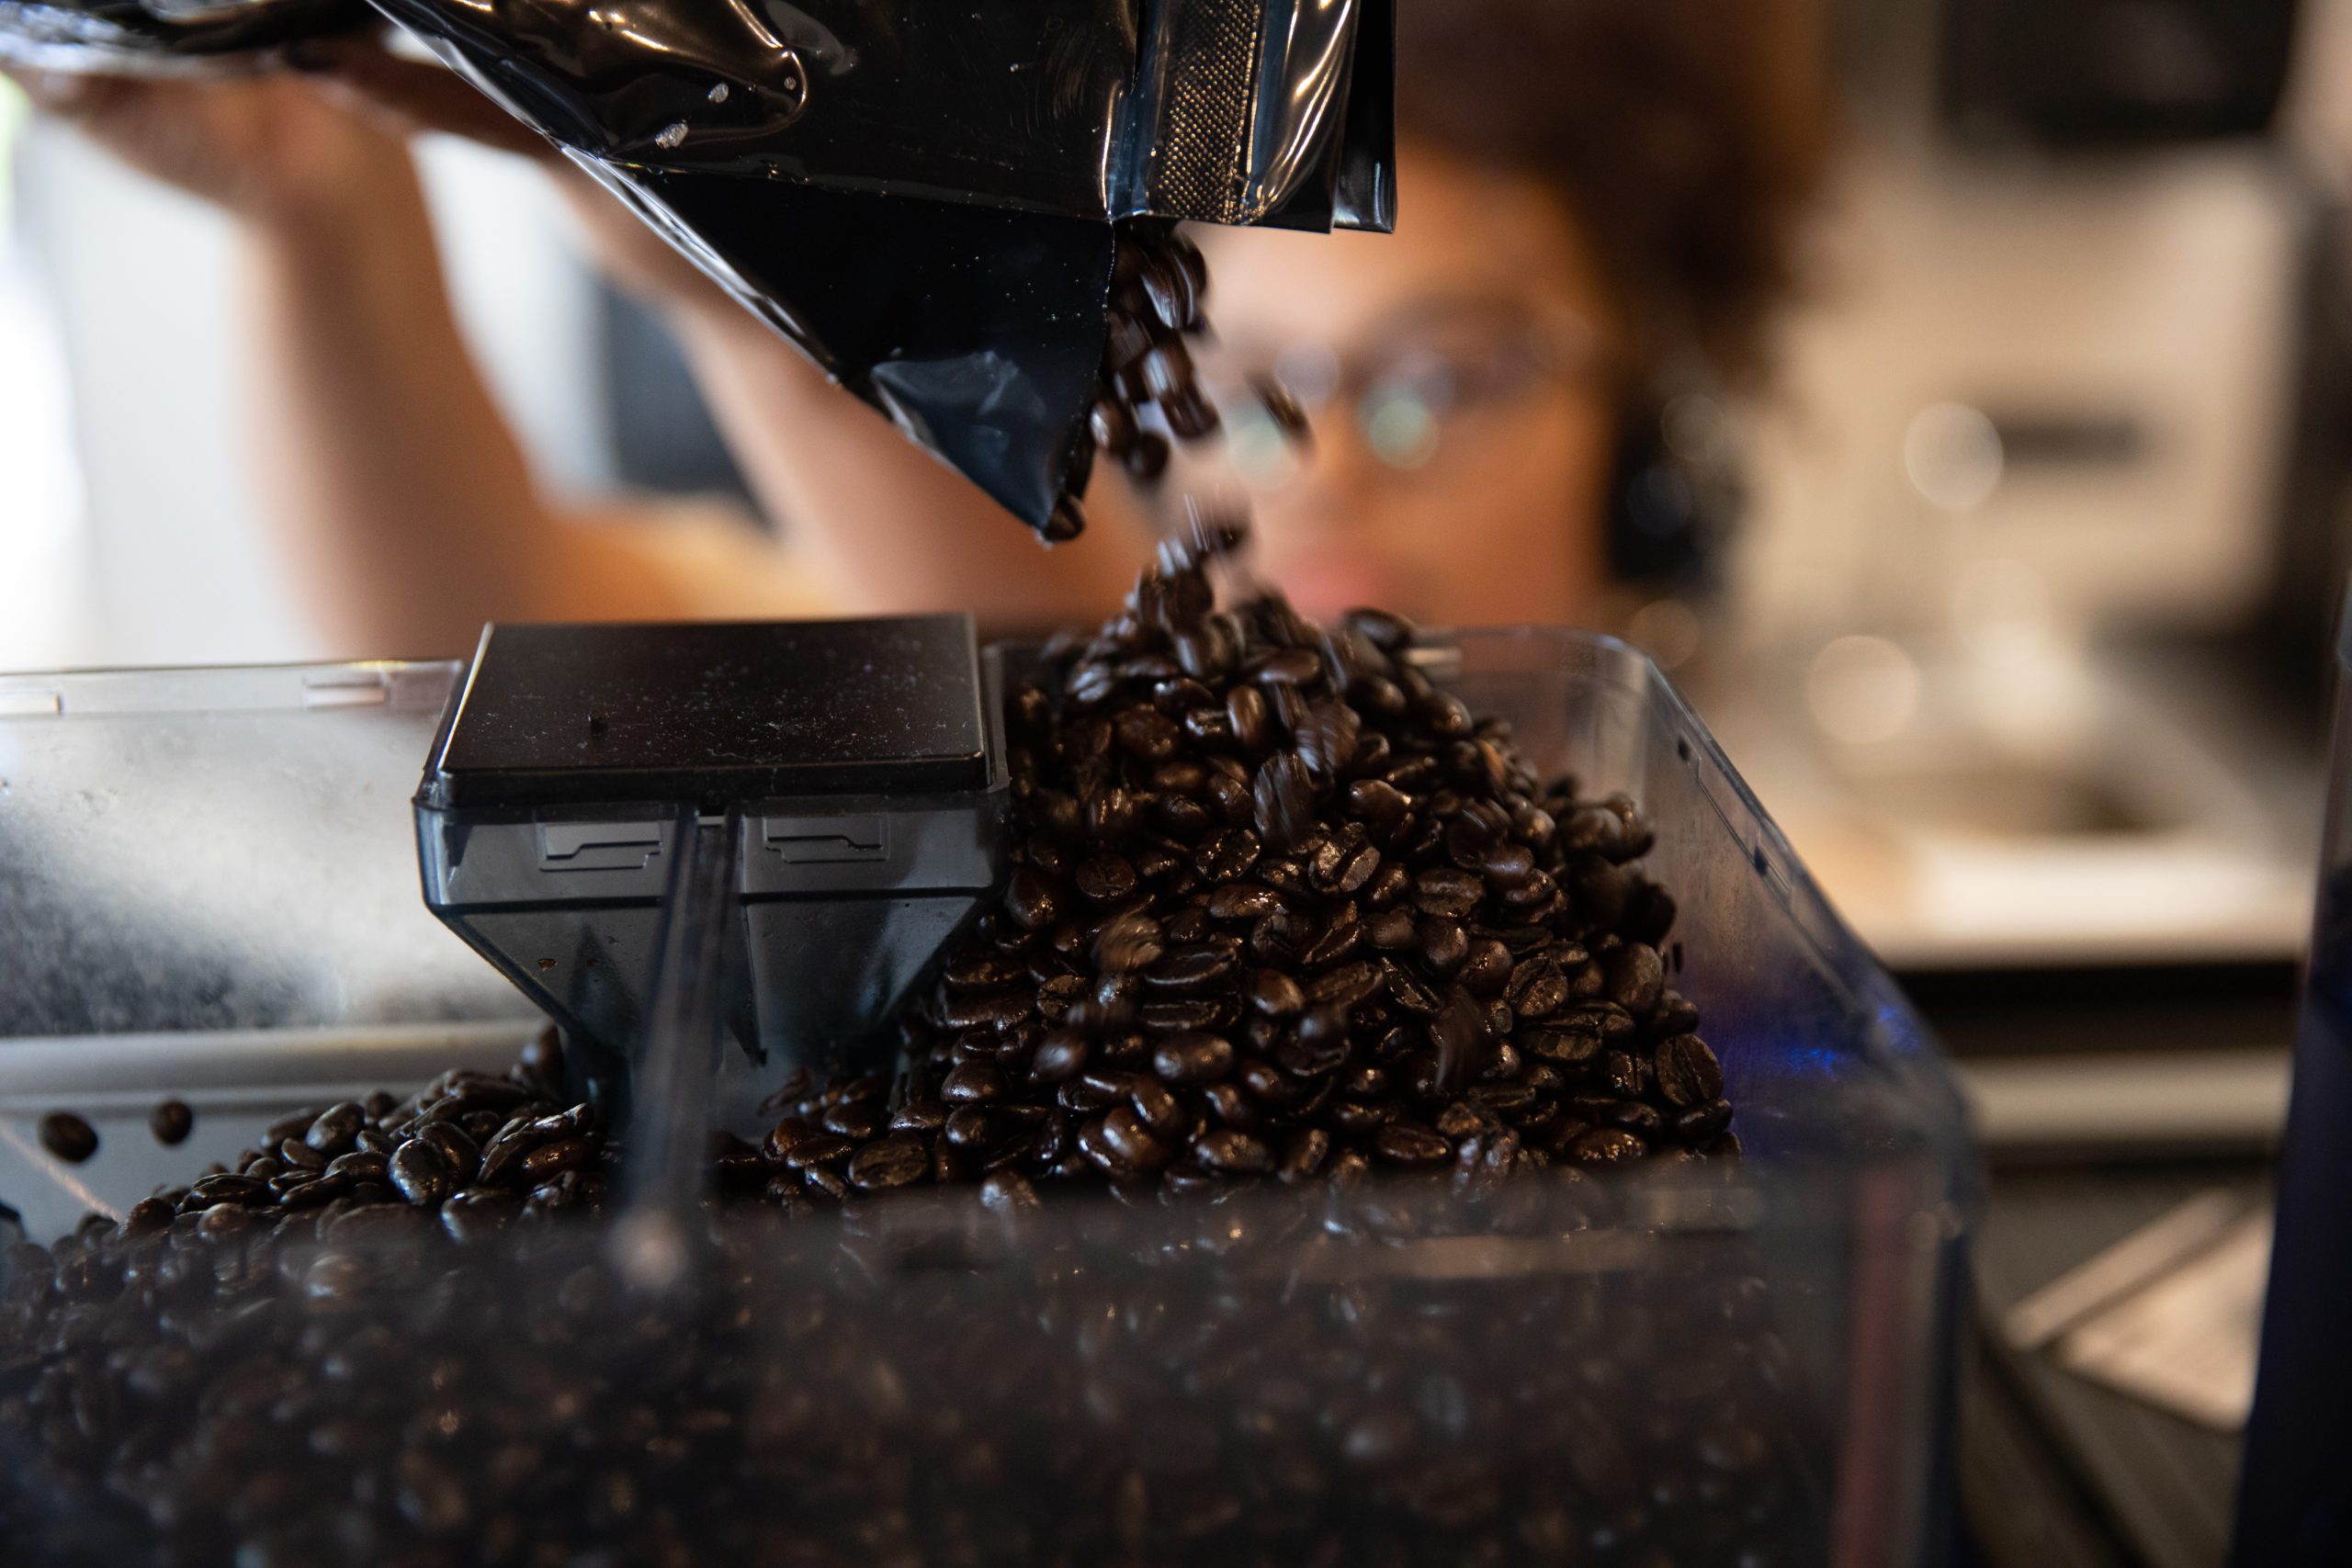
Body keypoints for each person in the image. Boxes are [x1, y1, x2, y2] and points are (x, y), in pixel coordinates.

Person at [3, 0, 1827, 654]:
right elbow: (472, 638)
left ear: (1649, 441)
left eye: (1436, 378)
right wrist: (315, 204)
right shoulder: (991, 590)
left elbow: (1075, 714)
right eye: (1238, 388)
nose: (1325, 463)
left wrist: (741, 276)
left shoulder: (1704, 894)